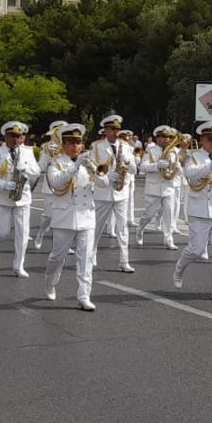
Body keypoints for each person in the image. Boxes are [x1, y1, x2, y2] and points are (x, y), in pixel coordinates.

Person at [42, 123, 105, 311]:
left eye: (78, 142)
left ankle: (84, 296)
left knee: (85, 259)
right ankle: (49, 280)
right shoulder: (56, 163)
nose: (75, 146)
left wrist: (94, 168)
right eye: (70, 142)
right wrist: (75, 166)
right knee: (57, 257)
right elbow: (57, 182)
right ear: (63, 144)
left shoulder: (88, 163)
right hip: (64, 217)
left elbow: (104, 182)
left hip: (86, 216)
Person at [173, 120, 212, 301]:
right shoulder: (193, 157)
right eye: (209, 139)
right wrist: (211, 164)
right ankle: (179, 269)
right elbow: (191, 174)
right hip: (199, 210)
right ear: (202, 139)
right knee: (196, 249)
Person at [0, 120, 42, 277]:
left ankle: (18, 266)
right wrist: (3, 184)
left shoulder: (28, 151)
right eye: (12, 136)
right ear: (5, 136)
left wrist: (27, 170)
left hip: (22, 197)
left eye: (19, 136)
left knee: (23, 233)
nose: (16, 139)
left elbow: (37, 171)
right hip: (3, 198)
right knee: (2, 232)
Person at [91, 114, 137, 274]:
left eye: (117, 129)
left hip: (121, 192)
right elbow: (92, 169)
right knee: (97, 226)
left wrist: (128, 161)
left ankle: (124, 261)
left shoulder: (125, 146)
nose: (116, 132)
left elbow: (134, 170)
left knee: (122, 228)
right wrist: (104, 176)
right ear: (105, 130)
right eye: (112, 129)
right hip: (103, 193)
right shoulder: (96, 146)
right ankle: (92, 254)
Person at [136, 126, 181, 249]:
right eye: (163, 137)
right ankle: (140, 229)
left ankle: (168, 239)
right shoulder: (151, 150)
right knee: (149, 214)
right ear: (157, 138)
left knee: (169, 214)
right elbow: (142, 167)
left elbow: (179, 168)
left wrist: (177, 169)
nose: (167, 139)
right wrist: (156, 166)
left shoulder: (174, 151)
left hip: (168, 187)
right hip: (154, 188)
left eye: (169, 137)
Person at [30, 120, 66, 251]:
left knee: (64, 216)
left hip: (66, 184)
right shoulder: (45, 147)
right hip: (50, 185)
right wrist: (51, 158)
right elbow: (41, 166)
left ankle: (62, 243)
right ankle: (40, 234)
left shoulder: (68, 145)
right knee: (49, 215)